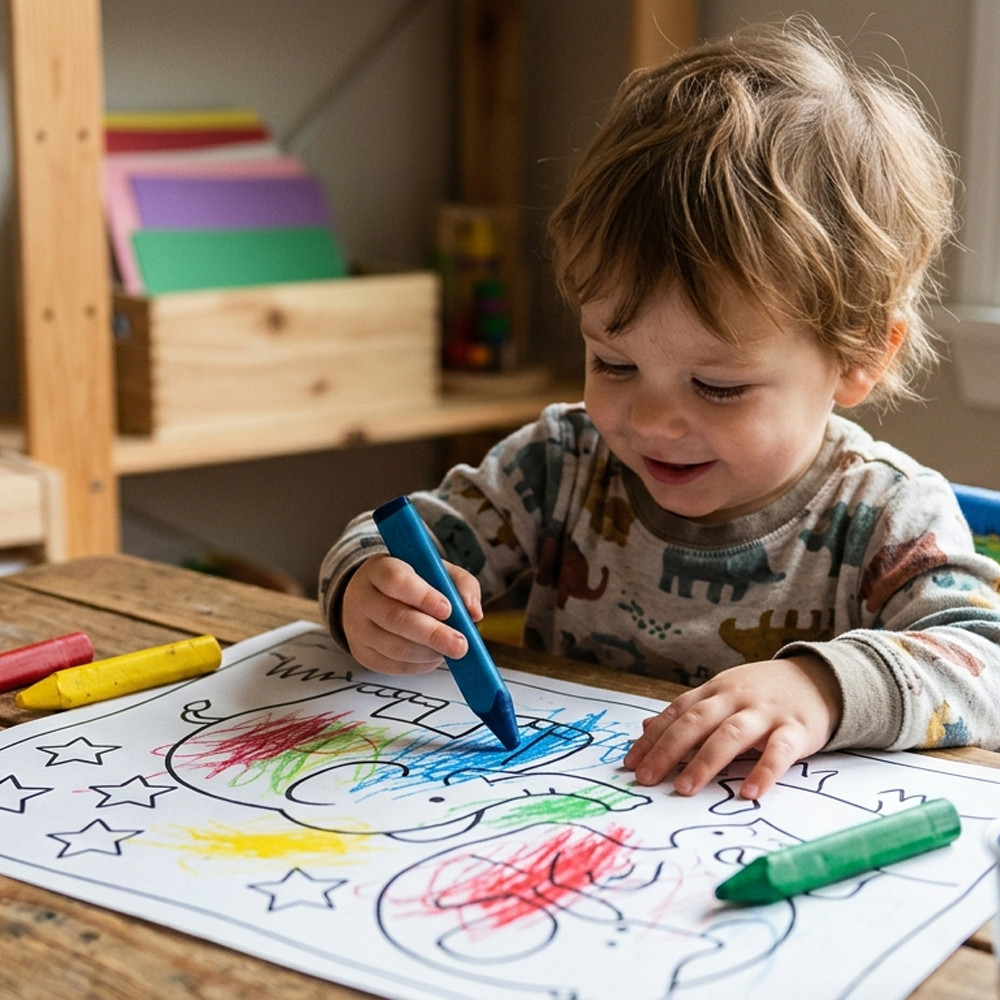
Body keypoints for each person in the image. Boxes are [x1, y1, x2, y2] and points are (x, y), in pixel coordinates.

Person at [320, 17, 1000, 801]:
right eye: (614, 363)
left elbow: (982, 659)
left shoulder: (887, 514)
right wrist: (370, 589)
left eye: (717, 386)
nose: (649, 421)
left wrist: (820, 688)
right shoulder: (559, 464)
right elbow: (384, 540)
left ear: (861, 356)